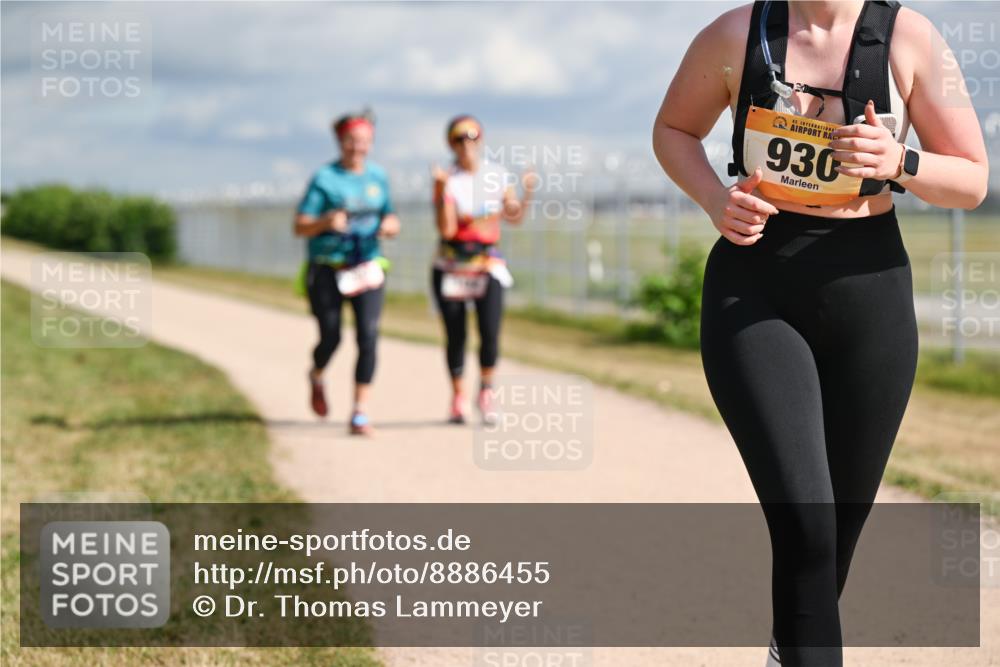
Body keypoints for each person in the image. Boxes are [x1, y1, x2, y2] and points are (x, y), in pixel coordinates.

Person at [652, 1, 987, 665]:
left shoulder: (911, 39)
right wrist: (716, 200)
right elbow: (673, 130)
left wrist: (900, 160)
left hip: (871, 293)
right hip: (756, 285)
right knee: (806, 520)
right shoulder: (733, 35)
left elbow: (973, 178)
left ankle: (790, 646)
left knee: (833, 536)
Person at [293, 109, 400, 436]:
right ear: (341, 141)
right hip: (328, 268)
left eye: (365, 141)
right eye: (352, 141)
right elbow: (300, 226)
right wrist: (326, 222)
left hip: (367, 266)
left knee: (369, 336)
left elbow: (390, 215)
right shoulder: (324, 179)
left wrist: (391, 225)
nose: (358, 147)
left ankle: (360, 412)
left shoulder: (378, 177)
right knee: (332, 336)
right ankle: (317, 374)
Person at [430, 115, 534, 424]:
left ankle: (487, 391)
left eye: (472, 137)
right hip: (451, 265)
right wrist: (439, 194)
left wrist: (526, 194)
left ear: (481, 140)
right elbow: (448, 230)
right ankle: (458, 397)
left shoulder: (497, 176)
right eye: (459, 139)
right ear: (451, 144)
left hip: (487, 265)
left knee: (490, 331)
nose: (466, 145)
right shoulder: (447, 179)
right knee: (456, 334)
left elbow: (513, 216)